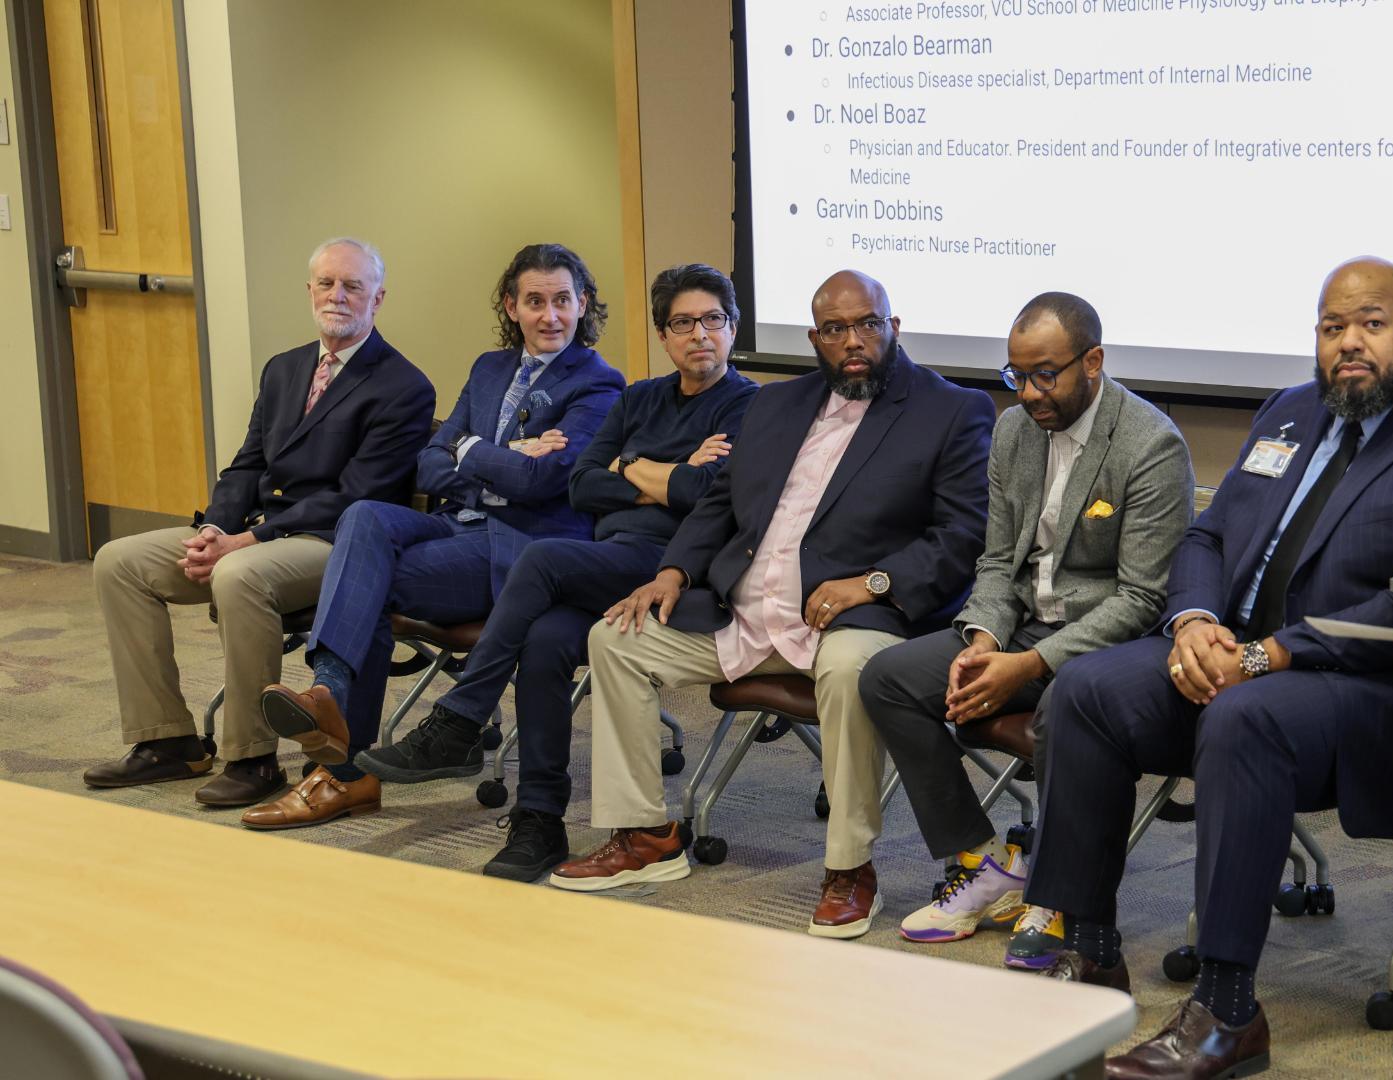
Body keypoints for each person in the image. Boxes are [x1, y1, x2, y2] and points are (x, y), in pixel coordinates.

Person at [1028, 258, 1393, 1079]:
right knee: (1085, 692)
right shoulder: (1292, 413)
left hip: (1389, 693)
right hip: (1244, 662)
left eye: (1371, 323)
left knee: (1243, 718)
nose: (1349, 344)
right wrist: (1193, 623)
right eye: (1332, 328)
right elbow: (1206, 538)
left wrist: (1266, 656)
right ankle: (1087, 957)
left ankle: (1227, 1014)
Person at [549, 270, 993, 944]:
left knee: (851, 670)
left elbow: (960, 538)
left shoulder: (950, 410)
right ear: (815, 337)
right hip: (744, 611)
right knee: (617, 637)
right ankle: (647, 835)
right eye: (836, 329)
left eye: (868, 324)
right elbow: (722, 502)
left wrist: (872, 584)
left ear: (893, 327)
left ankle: (849, 868)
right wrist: (673, 570)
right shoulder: (775, 404)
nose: (854, 341)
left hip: (852, 618)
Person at [350, 264, 758, 881]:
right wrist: (657, 474)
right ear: (663, 335)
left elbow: (707, 496)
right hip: (604, 560)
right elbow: (585, 485)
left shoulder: (753, 404)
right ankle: (539, 819)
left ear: (732, 329)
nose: (698, 334)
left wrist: (631, 466)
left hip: (677, 569)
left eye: (712, 320)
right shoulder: (640, 397)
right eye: (682, 323)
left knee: (541, 559)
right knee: (543, 642)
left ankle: (460, 719)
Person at [860, 291, 1193, 964]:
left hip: (1105, 646)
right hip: (1017, 631)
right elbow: (997, 562)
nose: (1031, 392)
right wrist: (983, 640)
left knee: (1066, 714)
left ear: (1092, 362)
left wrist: (1028, 667)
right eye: (1017, 375)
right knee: (889, 678)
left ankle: (1060, 892)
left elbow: (1140, 598)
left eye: (1048, 374)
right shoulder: (1012, 431)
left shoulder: (1150, 444)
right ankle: (988, 866)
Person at [243, 243, 624, 830]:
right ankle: (329, 694)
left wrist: (470, 448)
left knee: (368, 586)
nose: (550, 316)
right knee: (367, 515)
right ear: (511, 306)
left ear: (582, 305)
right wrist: (501, 457)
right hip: (456, 524)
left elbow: (544, 478)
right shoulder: (489, 368)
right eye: (535, 301)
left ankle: (342, 771)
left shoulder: (600, 384)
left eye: (563, 301)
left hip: (518, 549)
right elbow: (426, 464)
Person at [84, 238, 434, 809]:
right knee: (119, 562)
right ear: (309, 291)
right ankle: (166, 740)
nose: (337, 296)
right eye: (326, 284)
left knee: (239, 574)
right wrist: (214, 530)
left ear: (378, 297)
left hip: (335, 544)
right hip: (257, 532)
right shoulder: (284, 368)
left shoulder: (403, 386)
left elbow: (355, 495)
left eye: (352, 286)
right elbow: (247, 464)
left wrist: (245, 541)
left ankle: (252, 756)